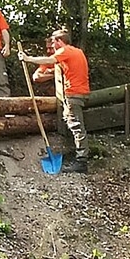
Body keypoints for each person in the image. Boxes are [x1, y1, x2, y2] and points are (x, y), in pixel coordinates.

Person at [18, 28, 90, 174]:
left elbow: (49, 60)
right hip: (80, 92)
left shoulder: (65, 51)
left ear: (59, 41)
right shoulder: (78, 52)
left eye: (54, 42)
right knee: (71, 122)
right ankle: (77, 155)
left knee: (76, 126)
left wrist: (28, 58)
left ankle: (81, 161)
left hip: (73, 93)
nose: (53, 46)